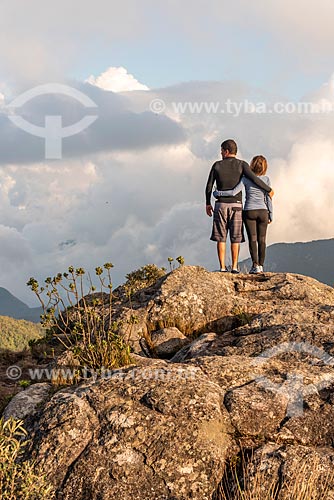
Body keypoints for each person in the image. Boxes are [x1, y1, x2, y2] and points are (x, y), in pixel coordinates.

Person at [205, 140, 273, 273]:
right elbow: (254, 179)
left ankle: (223, 267)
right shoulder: (242, 165)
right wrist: (268, 189)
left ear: (226, 151)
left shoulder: (216, 165)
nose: (220, 153)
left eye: (221, 150)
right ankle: (236, 267)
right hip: (237, 205)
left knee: (221, 237)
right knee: (236, 237)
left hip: (221, 205)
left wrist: (208, 202)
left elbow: (208, 185)